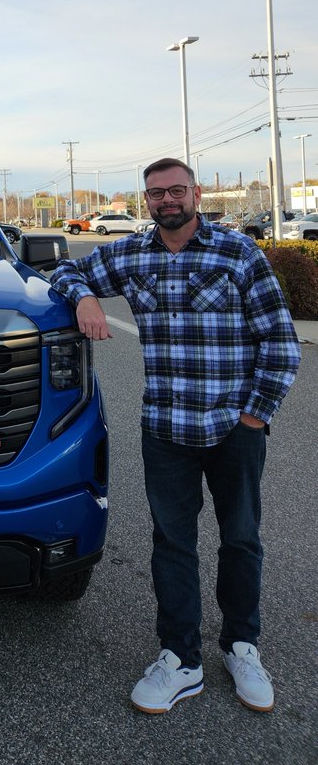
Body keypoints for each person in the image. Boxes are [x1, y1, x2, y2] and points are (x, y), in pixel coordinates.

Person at [50, 157, 300, 716]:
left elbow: (281, 344)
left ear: (196, 192)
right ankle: (180, 658)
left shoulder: (238, 254)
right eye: (155, 193)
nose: (166, 200)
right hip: (165, 428)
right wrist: (85, 297)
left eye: (176, 190)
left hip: (234, 427)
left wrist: (254, 418)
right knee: (173, 544)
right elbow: (63, 272)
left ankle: (241, 645)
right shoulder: (132, 254)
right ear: (146, 201)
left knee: (240, 539)